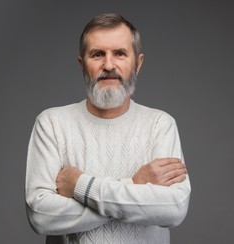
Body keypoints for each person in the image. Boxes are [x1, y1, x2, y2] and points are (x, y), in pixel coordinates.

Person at [25, 13, 191, 244]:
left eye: (120, 53)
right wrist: (135, 186)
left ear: (138, 63)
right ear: (82, 64)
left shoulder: (160, 125)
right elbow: (41, 216)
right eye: (97, 54)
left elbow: (173, 209)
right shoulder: (52, 124)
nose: (109, 65)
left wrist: (80, 186)